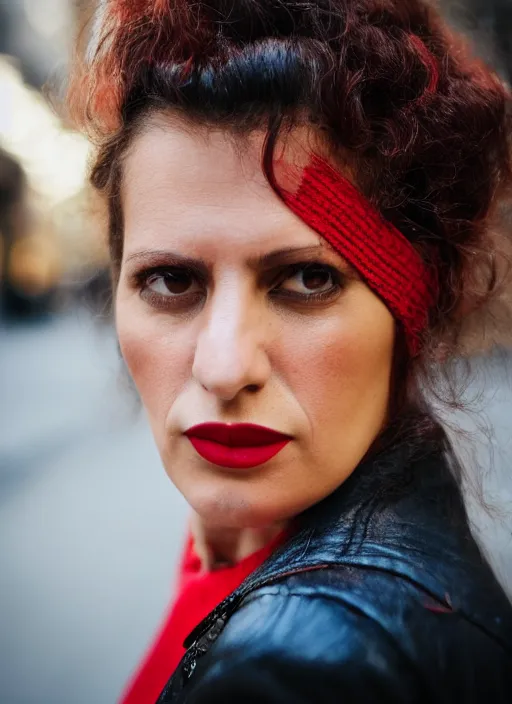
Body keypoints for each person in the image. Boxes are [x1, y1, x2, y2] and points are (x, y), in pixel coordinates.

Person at [68, 1, 512, 701]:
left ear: (409, 306)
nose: (223, 367)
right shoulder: (245, 559)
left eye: (307, 280)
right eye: (172, 280)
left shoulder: (305, 667)